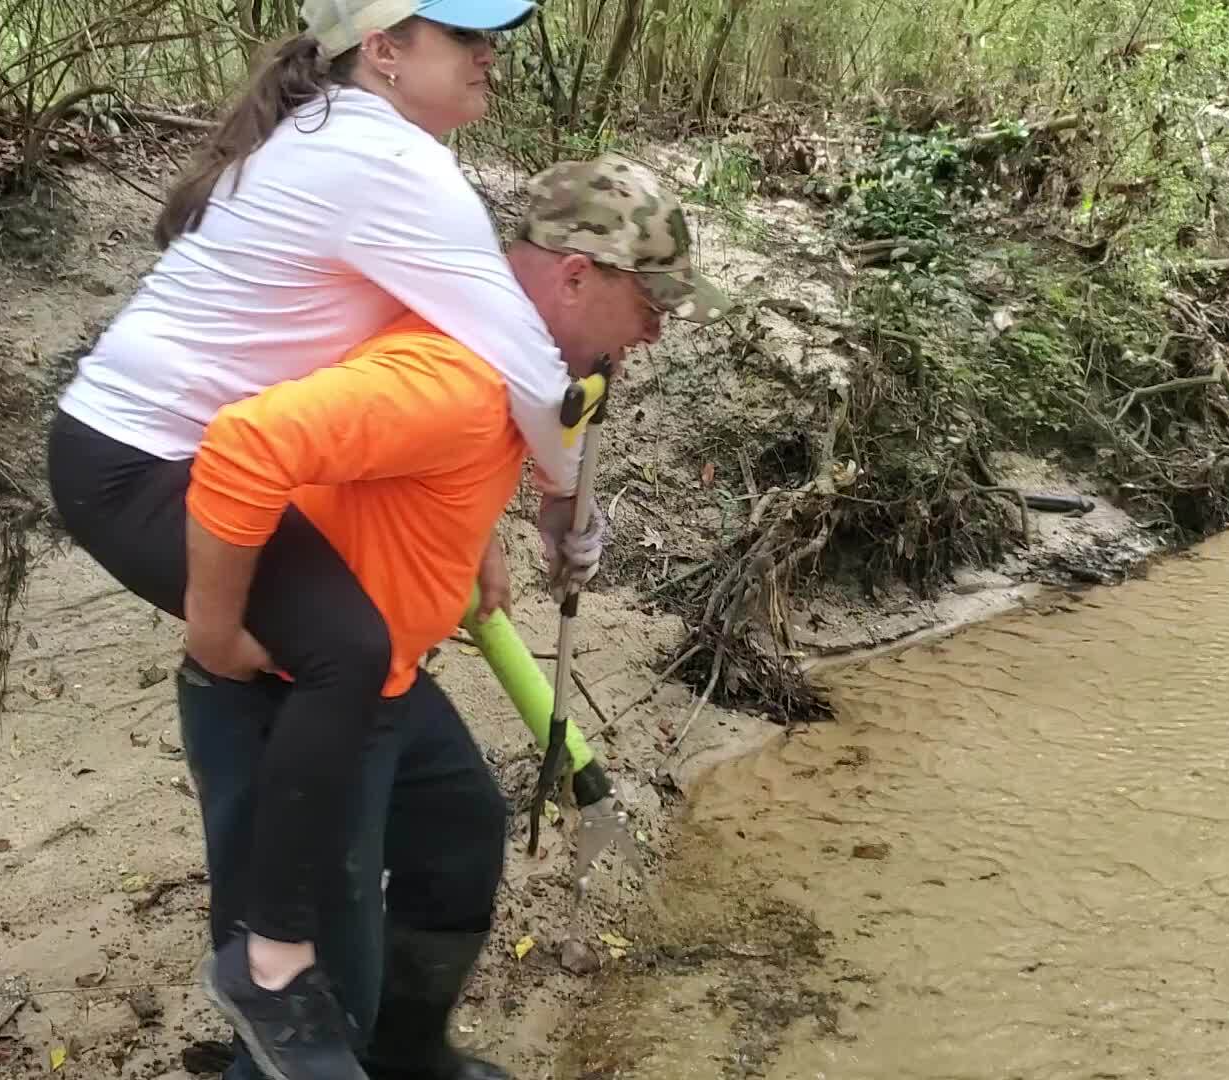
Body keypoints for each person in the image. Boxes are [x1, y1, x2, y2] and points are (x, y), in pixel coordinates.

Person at [45, 1, 605, 1069]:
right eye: (461, 34)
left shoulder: (335, 135)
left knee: (376, 686)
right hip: (138, 462)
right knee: (342, 648)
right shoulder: (397, 166)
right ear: (383, 52)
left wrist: (477, 527)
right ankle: (271, 967)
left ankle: (382, 1034)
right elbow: (532, 370)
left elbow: (431, 349)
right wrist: (565, 507)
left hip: (180, 451)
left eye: (490, 34)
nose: (490, 53)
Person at [179, 154, 727, 1080]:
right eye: (652, 309)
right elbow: (244, 447)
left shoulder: (510, 357)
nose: (657, 334)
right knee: (316, 1004)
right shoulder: (453, 375)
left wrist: (488, 537)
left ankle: (409, 1055)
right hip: (291, 701)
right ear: (577, 276)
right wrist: (216, 634)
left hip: (383, 679)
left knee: (460, 833)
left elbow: (431, 468)